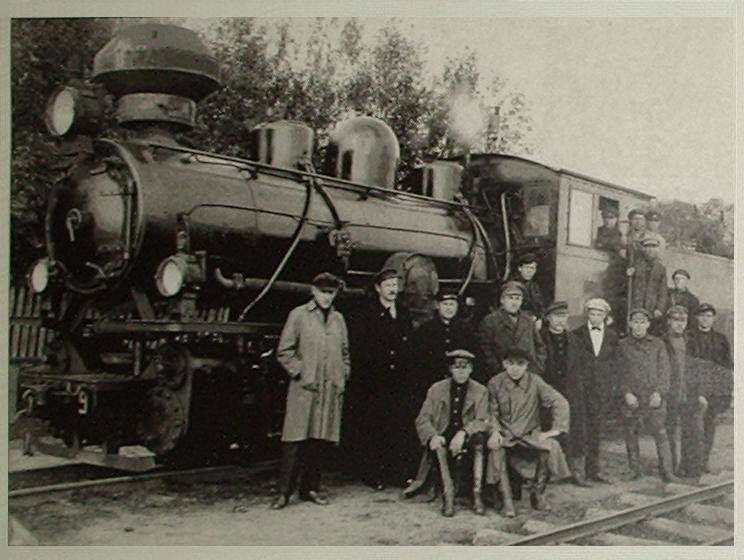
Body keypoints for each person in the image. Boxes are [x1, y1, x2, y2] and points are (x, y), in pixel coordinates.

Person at [272, 272, 350, 509]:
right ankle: (284, 493)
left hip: (329, 390)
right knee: (294, 441)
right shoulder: (298, 315)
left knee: (319, 441)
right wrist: (301, 372)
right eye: (323, 292)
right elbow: (284, 351)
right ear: (313, 291)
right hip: (304, 390)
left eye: (331, 293)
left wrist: (342, 374)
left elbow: (345, 352)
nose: (327, 297)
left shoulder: (338, 319)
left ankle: (311, 489)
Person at [345, 267, 413, 490]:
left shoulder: (403, 313)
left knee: (396, 425)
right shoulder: (366, 314)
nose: (393, 289)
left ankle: (396, 472)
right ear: (377, 288)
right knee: (373, 427)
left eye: (395, 285)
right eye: (388, 285)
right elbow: (359, 349)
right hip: (374, 382)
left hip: (398, 381)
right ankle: (373, 473)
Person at [403, 350, 490, 517]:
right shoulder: (436, 389)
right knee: (439, 446)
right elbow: (422, 418)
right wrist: (432, 435)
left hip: (468, 436)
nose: (461, 371)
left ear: (471, 369)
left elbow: (483, 420)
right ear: (450, 369)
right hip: (443, 434)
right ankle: (447, 495)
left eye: (465, 367)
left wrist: (464, 432)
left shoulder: (481, 391)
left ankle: (477, 494)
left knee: (479, 441)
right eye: (457, 367)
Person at [486, 347, 570, 517]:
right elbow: (490, 412)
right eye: (510, 363)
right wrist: (494, 431)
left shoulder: (535, 381)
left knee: (550, 446)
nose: (515, 368)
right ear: (504, 364)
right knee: (496, 450)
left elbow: (559, 402)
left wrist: (554, 430)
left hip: (529, 434)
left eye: (520, 364)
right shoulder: (495, 383)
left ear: (527, 366)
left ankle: (538, 493)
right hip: (506, 434)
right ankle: (506, 500)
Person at [617, 308, 679, 482]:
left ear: (648, 324)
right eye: (635, 322)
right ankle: (634, 470)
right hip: (632, 397)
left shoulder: (658, 344)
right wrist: (626, 393)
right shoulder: (622, 345)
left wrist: (659, 393)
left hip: (654, 397)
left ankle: (667, 471)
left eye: (642, 322)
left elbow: (665, 371)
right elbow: (618, 372)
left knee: (660, 433)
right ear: (630, 324)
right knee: (631, 432)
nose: (639, 326)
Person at [539, 301, 589, 486]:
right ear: (548, 318)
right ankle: (548, 472)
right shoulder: (540, 338)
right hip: (549, 390)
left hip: (571, 390)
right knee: (548, 429)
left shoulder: (575, 340)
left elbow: (583, 366)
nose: (560, 321)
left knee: (575, 430)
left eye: (563, 316)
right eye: (556, 316)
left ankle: (576, 472)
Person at [571, 297, 620, 484]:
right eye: (592, 313)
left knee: (597, 430)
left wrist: (611, 385)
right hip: (582, 389)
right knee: (580, 429)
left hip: (601, 390)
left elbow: (615, 363)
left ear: (605, 315)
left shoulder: (612, 336)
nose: (595, 317)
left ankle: (594, 470)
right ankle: (578, 472)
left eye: (599, 313)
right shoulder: (577, 334)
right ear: (587, 315)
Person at [686, 303, 733, 473]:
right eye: (702, 316)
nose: (705, 319)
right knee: (693, 428)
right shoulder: (689, 337)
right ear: (696, 318)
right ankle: (691, 464)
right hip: (695, 389)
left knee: (709, 427)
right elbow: (688, 367)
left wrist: (726, 392)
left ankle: (703, 462)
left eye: (709, 316)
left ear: (713, 319)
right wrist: (696, 391)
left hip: (714, 391)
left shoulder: (721, 339)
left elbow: (726, 366)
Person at [409, 288, 477, 396]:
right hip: (431, 382)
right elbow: (418, 361)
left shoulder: (466, 330)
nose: (449, 308)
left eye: (452, 304)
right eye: (445, 304)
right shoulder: (425, 330)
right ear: (437, 306)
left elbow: (475, 356)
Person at [478, 281, 547, 378]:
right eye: (510, 298)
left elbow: (540, 347)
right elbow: (485, 350)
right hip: (501, 376)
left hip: (528, 375)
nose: (514, 303)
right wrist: (498, 370)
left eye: (517, 298)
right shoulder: (490, 321)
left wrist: (536, 369)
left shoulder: (528, 321)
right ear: (502, 300)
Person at [660, 306, 690, 478]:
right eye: (676, 320)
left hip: (687, 392)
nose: (679, 324)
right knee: (670, 430)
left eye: (683, 320)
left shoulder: (689, 341)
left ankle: (685, 466)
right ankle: (670, 467)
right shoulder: (662, 342)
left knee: (687, 430)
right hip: (670, 392)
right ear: (669, 321)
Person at [627, 236, 668, 332]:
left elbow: (663, 291)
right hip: (636, 306)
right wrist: (629, 273)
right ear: (643, 249)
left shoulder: (660, 269)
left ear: (657, 249)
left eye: (653, 247)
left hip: (651, 308)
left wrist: (660, 308)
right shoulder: (635, 265)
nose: (650, 250)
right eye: (647, 247)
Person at [509, 253, 546, 324]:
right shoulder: (512, 285)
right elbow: (511, 309)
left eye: (532, 268)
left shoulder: (535, 286)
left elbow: (541, 307)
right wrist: (530, 318)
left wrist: (540, 318)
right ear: (520, 268)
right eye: (527, 267)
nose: (529, 271)